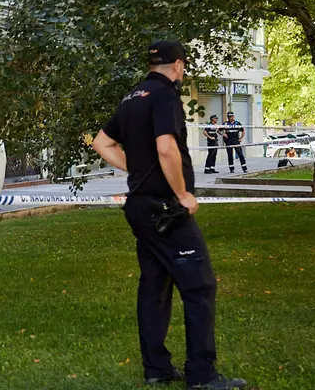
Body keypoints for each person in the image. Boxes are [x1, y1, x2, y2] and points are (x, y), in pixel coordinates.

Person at [92, 40, 246, 390]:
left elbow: (101, 143)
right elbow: (166, 147)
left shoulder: (133, 97)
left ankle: (157, 368)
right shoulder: (165, 97)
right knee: (200, 285)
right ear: (178, 65)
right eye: (183, 66)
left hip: (139, 206)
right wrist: (182, 194)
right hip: (166, 207)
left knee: (155, 285)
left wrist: (136, 167)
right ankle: (202, 374)